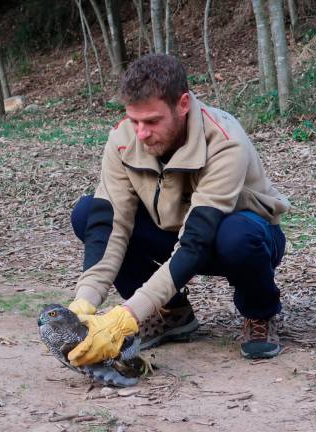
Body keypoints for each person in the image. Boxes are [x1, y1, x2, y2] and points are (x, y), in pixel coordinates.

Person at [66, 54, 290, 366]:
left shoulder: (225, 142)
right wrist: (83, 303)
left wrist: (126, 317)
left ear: (182, 104)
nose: (141, 133)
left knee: (239, 236)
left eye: (152, 121)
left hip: (237, 237)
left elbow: (196, 240)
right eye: (134, 121)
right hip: (171, 231)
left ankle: (259, 314)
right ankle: (172, 313)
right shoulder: (122, 140)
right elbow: (111, 225)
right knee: (88, 213)